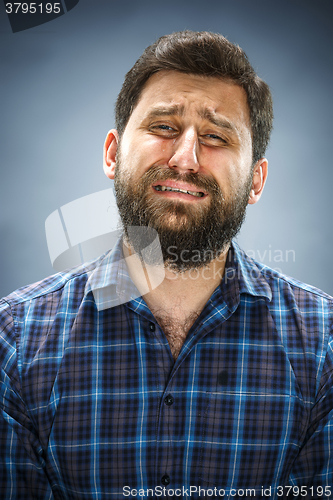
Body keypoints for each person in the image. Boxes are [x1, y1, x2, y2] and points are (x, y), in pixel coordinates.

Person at [0, 30, 332, 500]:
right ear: (113, 154)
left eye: (216, 136)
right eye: (163, 128)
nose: (185, 159)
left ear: (256, 181)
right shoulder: (13, 342)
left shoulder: (325, 348)